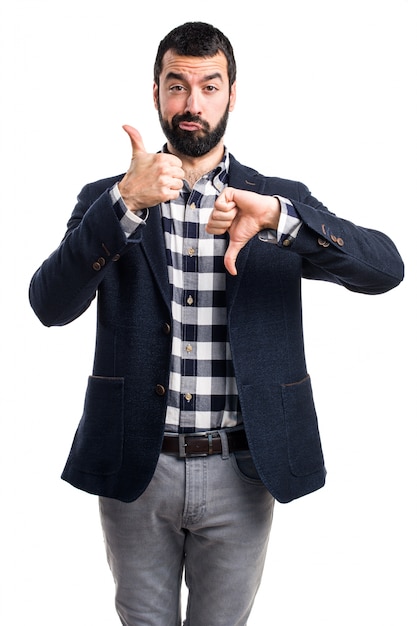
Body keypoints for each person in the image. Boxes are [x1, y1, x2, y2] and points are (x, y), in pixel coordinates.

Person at [29, 21, 404, 626]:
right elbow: (49, 304)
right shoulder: (111, 196)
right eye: (177, 86)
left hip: (241, 468)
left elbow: (384, 268)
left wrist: (283, 220)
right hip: (136, 466)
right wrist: (124, 205)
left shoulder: (274, 198)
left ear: (233, 94)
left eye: (209, 86)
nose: (192, 103)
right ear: (155, 94)